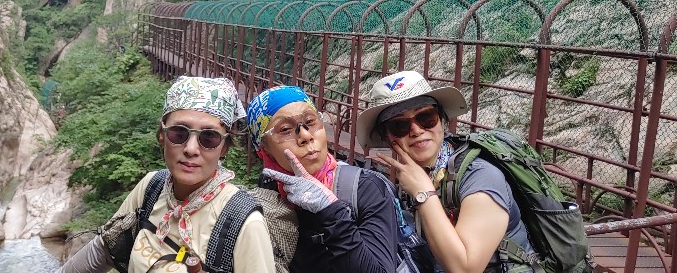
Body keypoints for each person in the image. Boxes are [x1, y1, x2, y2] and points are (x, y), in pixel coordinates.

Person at [58, 76, 275, 273]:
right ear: (162, 135)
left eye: (209, 137)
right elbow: (102, 251)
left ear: (224, 147)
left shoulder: (244, 222)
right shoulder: (152, 187)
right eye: (179, 132)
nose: (191, 149)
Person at [357, 70, 536, 272]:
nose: (416, 130)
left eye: (426, 117)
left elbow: (464, 269)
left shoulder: (480, 176)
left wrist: (423, 194)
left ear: (442, 120)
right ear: (388, 137)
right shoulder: (415, 175)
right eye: (400, 126)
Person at [246, 85, 398, 273]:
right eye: (285, 129)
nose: (305, 136)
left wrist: (330, 211)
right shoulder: (269, 189)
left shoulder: (364, 189)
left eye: (310, 122)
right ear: (264, 149)